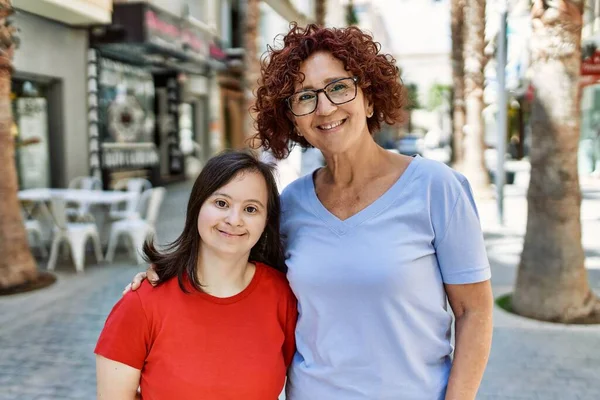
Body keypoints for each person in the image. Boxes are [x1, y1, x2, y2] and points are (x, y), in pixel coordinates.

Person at [128, 24, 493, 400]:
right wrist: (164, 277)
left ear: (368, 98)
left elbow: (474, 313)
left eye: (338, 87)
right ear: (295, 121)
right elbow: (234, 276)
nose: (325, 107)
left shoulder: (437, 188)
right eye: (305, 97)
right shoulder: (291, 204)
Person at [96, 150, 297, 400]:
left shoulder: (282, 297)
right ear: (197, 206)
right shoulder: (142, 303)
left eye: (251, 209)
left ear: (266, 220)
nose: (234, 220)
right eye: (221, 203)